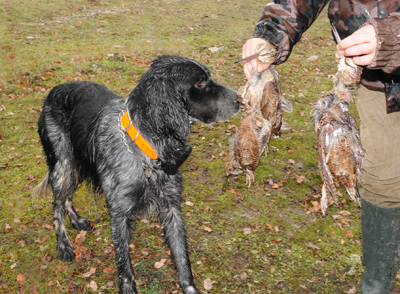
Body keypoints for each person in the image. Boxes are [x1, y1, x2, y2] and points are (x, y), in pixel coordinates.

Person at [241, 1, 400, 293]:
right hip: (379, 81)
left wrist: (394, 36)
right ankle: (377, 284)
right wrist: (271, 33)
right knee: (382, 180)